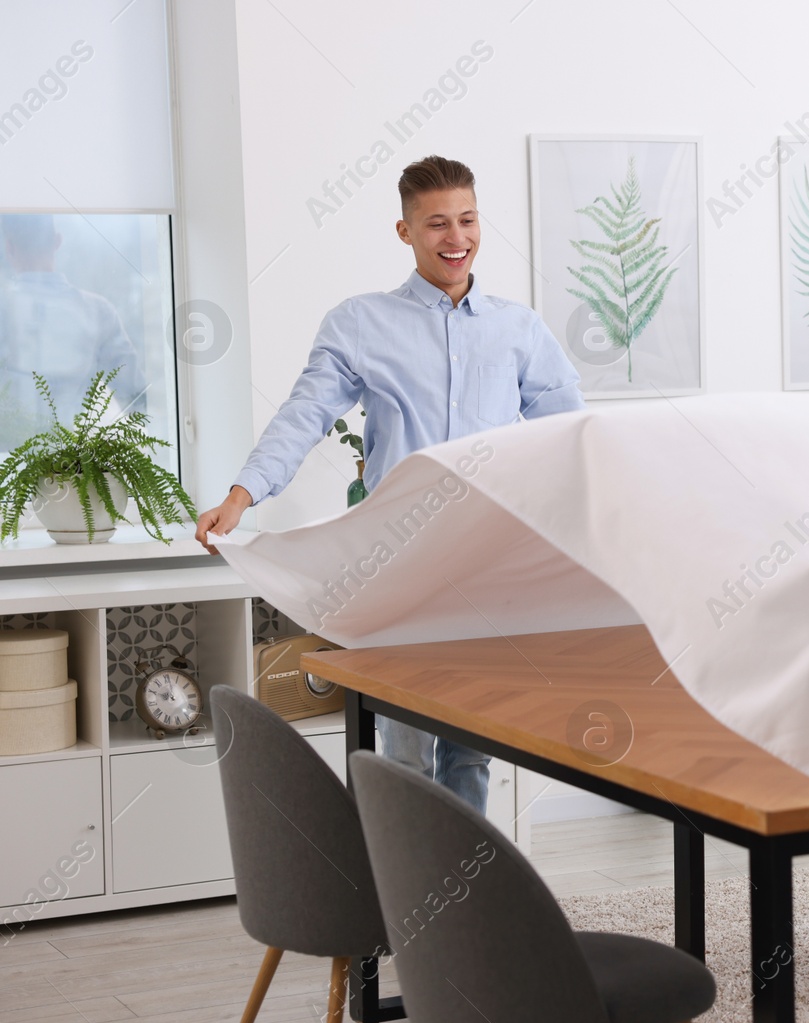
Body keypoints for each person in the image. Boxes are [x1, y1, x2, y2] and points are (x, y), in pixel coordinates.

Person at [195, 156, 585, 812]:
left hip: (489, 563)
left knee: (474, 745)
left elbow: (574, 437)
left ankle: (459, 901)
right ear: (405, 231)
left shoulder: (519, 329)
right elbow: (304, 415)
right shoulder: (360, 323)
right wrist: (242, 495)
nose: (455, 236)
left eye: (466, 219)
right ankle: (405, 896)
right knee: (406, 743)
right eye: (436, 223)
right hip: (400, 562)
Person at [0, 214, 146, 449]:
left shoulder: (3, 311)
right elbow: (135, 397)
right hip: (77, 469)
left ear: (8, 247)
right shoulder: (99, 311)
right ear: (57, 241)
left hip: (8, 467)